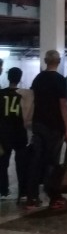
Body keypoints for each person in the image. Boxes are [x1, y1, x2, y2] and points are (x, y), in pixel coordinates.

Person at [26, 50, 67, 210]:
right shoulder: (60, 80)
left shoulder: (38, 79)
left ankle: (31, 198)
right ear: (58, 61)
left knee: (36, 161)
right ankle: (54, 196)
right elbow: (63, 106)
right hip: (55, 127)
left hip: (39, 125)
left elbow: (33, 101)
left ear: (45, 61)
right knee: (54, 162)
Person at [0, 67, 31, 202]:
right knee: (22, 163)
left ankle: (3, 190)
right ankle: (22, 191)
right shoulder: (25, 95)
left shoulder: (0, 94)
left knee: (2, 163)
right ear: (20, 78)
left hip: (3, 134)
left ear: (8, 78)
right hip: (20, 132)